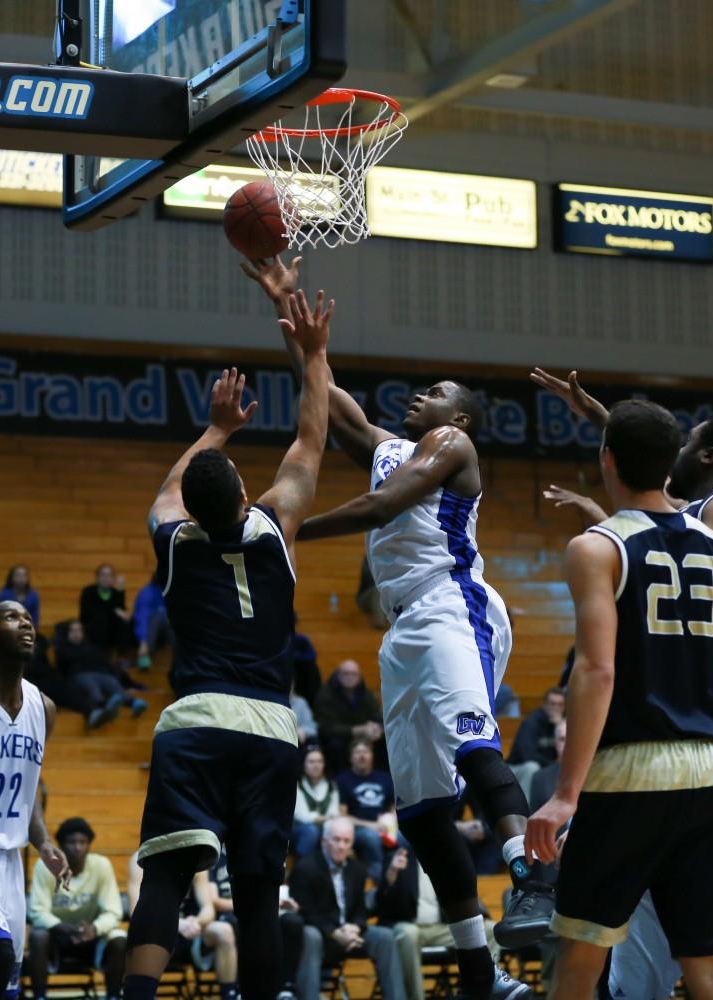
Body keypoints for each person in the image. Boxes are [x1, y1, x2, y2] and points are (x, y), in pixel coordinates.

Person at [244, 258, 549, 998]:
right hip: (406, 628)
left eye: (437, 393)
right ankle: (481, 972)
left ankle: (534, 879)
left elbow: (383, 510)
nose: (422, 395)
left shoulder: (452, 448)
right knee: (422, 812)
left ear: (462, 418)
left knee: (475, 742)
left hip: (455, 604)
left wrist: (285, 530)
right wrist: (297, 326)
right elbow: (331, 400)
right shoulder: (387, 448)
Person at [536, 370, 713, 997]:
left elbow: (627, 645)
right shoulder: (703, 534)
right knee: (707, 961)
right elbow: (669, 546)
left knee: (584, 956)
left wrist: (566, 791)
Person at [123, 275, 332, 1000]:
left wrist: (215, 429)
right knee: (254, 895)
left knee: (166, 878)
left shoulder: (174, 541)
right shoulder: (278, 527)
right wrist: (312, 353)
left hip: (198, 721)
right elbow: (311, 436)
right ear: (246, 496)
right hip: (273, 727)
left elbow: (167, 493)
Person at [0, 601, 69, 999]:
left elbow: (29, 788)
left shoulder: (44, 709)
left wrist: (42, 841)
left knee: (10, 984)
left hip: (11, 863)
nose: (25, 623)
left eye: (28, 618)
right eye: (11, 617)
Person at [288, 816, 407, 1000]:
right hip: (323, 935)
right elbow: (305, 912)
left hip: (349, 933)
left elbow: (360, 910)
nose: (342, 846)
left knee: (385, 937)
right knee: (309, 935)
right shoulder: (305, 868)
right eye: (336, 840)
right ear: (323, 841)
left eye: (346, 841)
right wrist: (335, 932)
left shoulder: (356, 869)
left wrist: (356, 928)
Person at [375, 845, 502, 1000]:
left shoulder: (445, 858)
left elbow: (464, 893)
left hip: (443, 928)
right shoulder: (398, 858)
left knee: (490, 929)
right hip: (412, 926)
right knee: (408, 933)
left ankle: (485, 992)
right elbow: (382, 904)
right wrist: (392, 873)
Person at [28, 817, 125, 1000]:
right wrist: (66, 928)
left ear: (89, 845)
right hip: (58, 937)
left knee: (119, 938)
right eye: (72, 842)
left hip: (91, 937)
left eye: (82, 842)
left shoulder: (101, 866)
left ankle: (113, 996)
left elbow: (113, 911)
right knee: (37, 935)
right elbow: (37, 911)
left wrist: (94, 928)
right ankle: (39, 996)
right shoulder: (46, 867)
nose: (78, 847)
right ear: (61, 845)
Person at [127, 852, 237, 1000]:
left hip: (192, 932)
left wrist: (197, 921)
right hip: (157, 932)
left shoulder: (197, 856)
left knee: (224, 931)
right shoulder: (141, 858)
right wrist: (178, 923)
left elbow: (208, 909)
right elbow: (135, 911)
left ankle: (230, 995)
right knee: (141, 933)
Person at [54, 619, 148, 726]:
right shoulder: (63, 650)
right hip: (79, 676)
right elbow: (61, 669)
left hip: (100, 674)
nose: (76, 634)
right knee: (91, 684)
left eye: (79, 630)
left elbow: (109, 666)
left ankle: (132, 703)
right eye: (73, 631)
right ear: (66, 633)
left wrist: (130, 684)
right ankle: (101, 706)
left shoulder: (92, 648)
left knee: (112, 682)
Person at [336, 738, 395, 881]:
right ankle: (382, 882)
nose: (362, 755)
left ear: (372, 756)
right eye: (357, 752)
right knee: (371, 837)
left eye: (365, 751)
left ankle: (404, 882)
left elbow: (394, 805)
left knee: (405, 839)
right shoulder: (342, 780)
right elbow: (342, 816)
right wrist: (372, 826)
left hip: (386, 827)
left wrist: (391, 821)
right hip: (358, 829)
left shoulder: (385, 778)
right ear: (350, 758)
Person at [313, 659, 384, 774]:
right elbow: (325, 728)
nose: (350, 677)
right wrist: (356, 730)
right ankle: (339, 780)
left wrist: (377, 729)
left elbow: (377, 717)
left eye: (354, 674)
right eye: (346, 673)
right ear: (338, 675)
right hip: (338, 737)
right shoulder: (325, 695)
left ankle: (381, 781)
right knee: (335, 745)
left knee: (383, 741)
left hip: (364, 737)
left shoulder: (366, 694)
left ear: (359, 676)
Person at [507, 687, 565, 800]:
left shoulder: (563, 725)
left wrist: (558, 727)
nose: (556, 708)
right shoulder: (532, 722)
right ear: (544, 705)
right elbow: (526, 754)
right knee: (532, 767)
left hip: (546, 767)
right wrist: (552, 765)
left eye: (560, 705)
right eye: (552, 704)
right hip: (517, 768)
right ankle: (525, 812)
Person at [292, 747, 340, 858]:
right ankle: (302, 867)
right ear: (304, 764)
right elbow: (301, 816)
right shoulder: (297, 784)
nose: (316, 765)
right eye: (311, 761)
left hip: (324, 826)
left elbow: (334, 813)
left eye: (319, 761)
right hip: (298, 828)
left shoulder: (331, 786)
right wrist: (324, 819)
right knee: (311, 831)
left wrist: (329, 820)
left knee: (337, 831)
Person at [78, 564, 135, 656]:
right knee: (101, 619)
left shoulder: (116, 592)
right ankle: (100, 655)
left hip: (111, 628)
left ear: (113, 578)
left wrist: (121, 591)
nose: (106, 578)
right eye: (103, 575)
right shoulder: (88, 591)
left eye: (109, 575)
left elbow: (121, 610)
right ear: (97, 577)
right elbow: (90, 611)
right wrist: (113, 610)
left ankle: (123, 655)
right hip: (92, 625)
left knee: (126, 622)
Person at [132, 574, 172, 670]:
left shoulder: (172, 592)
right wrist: (143, 641)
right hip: (149, 635)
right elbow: (142, 617)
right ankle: (144, 653)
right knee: (160, 614)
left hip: (168, 633)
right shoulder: (147, 592)